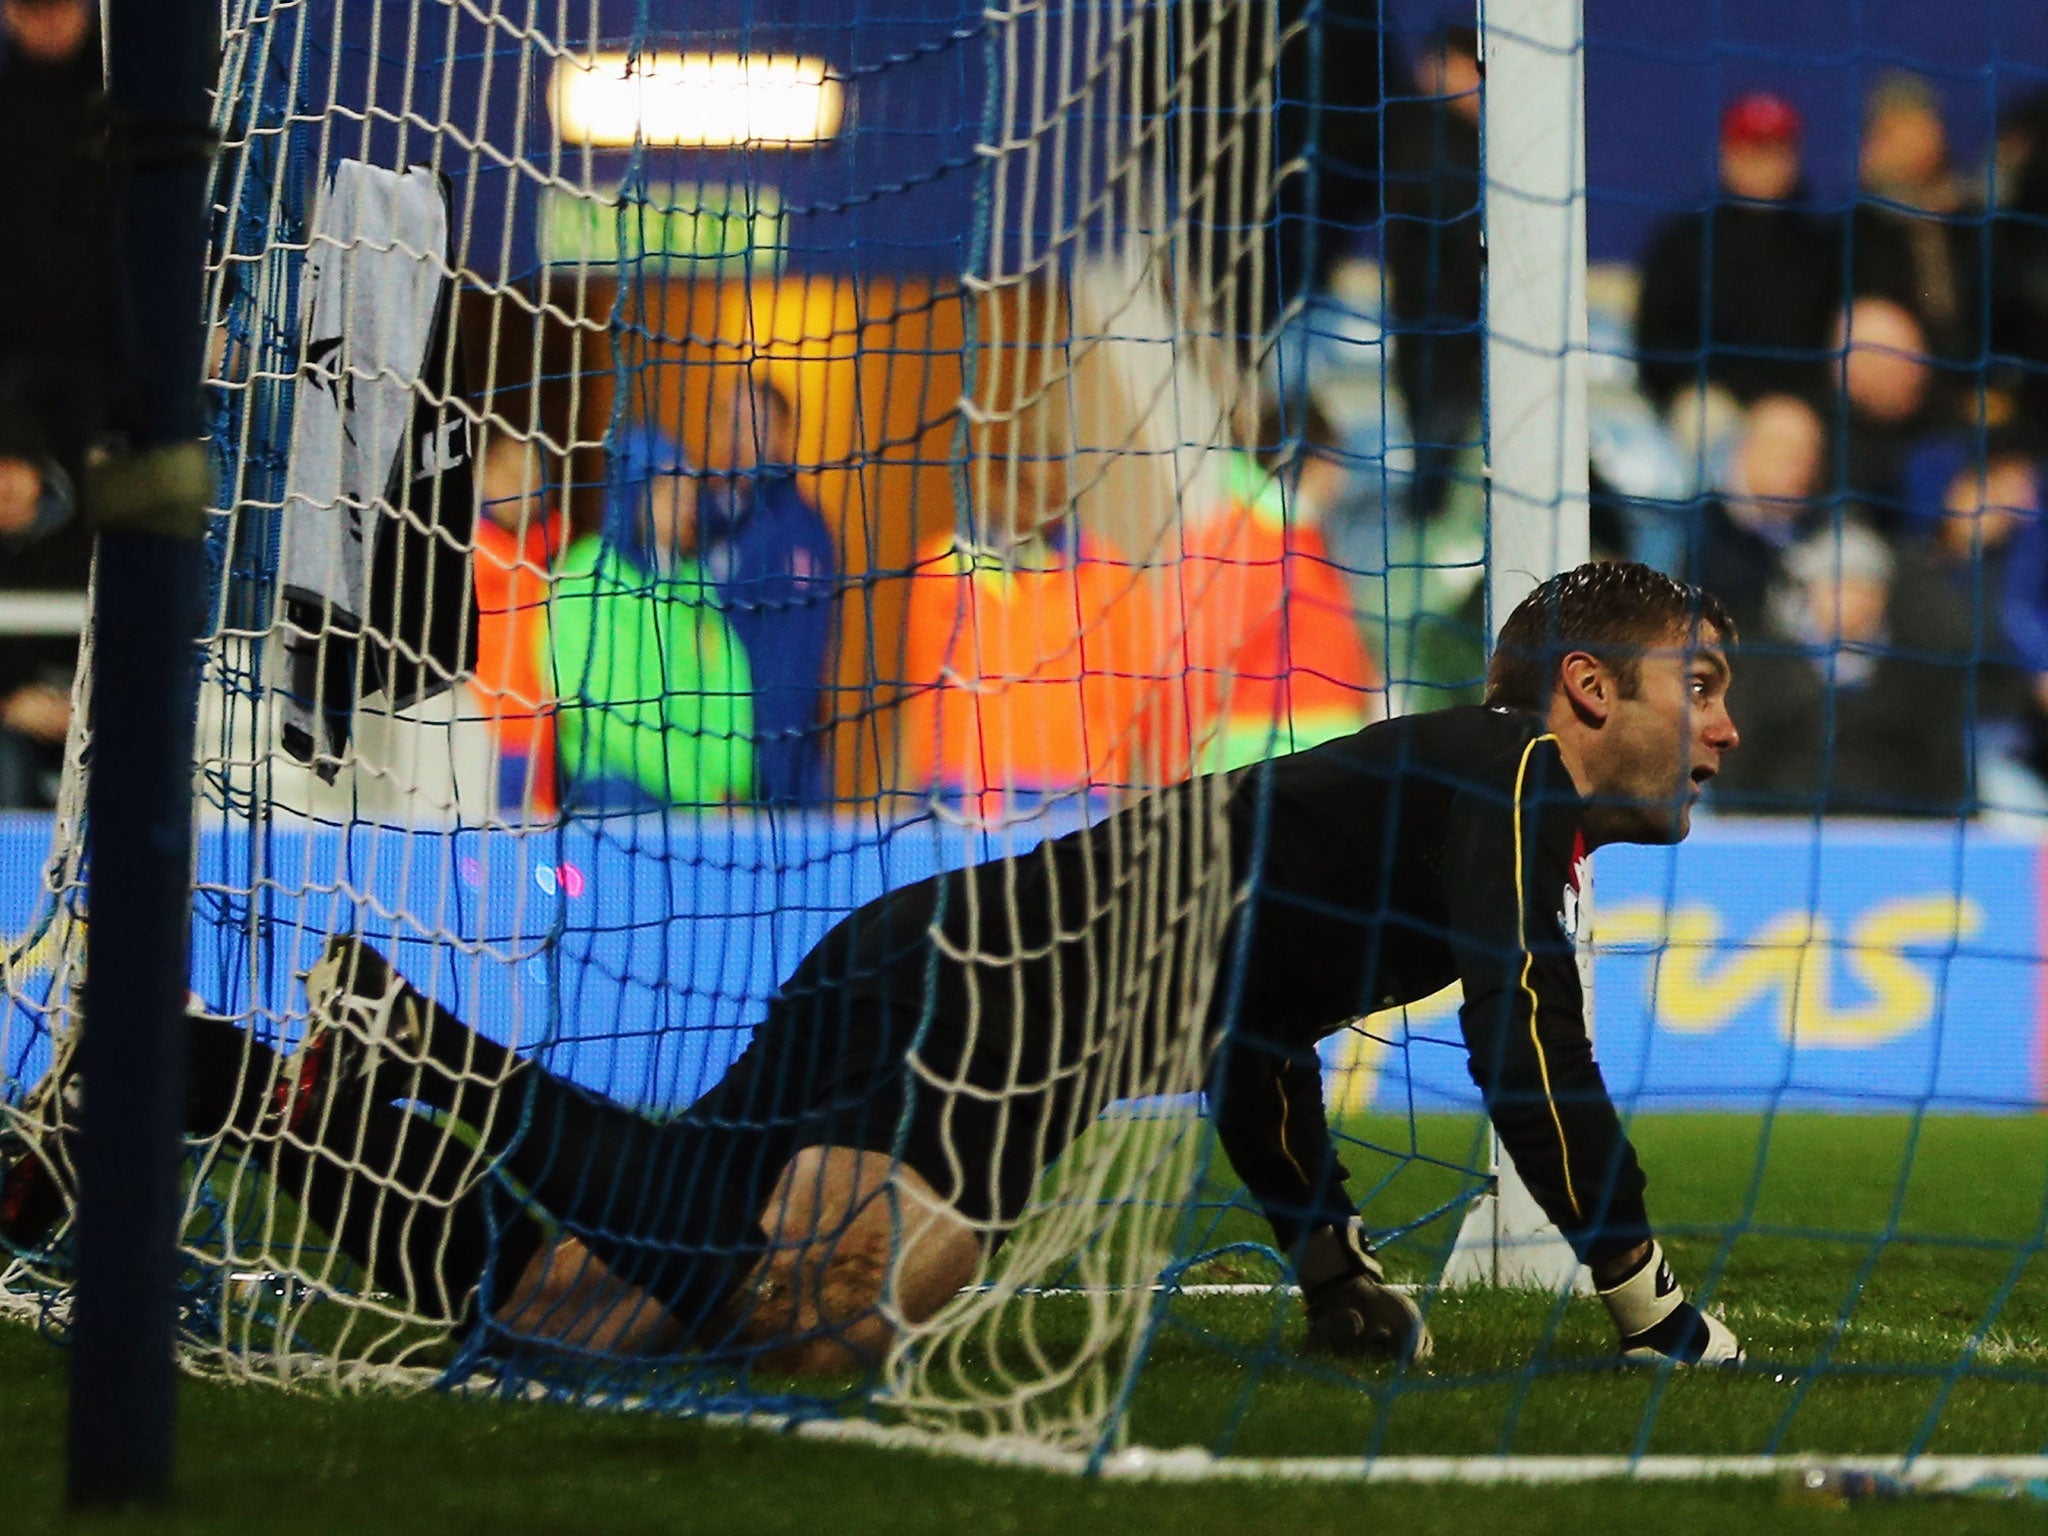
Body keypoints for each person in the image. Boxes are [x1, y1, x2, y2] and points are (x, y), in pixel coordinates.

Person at [6, 562, 1746, 1376]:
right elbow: (1530, 1054)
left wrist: (1323, 1266)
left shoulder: (1446, 790)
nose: (1722, 733)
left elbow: (1252, 1027)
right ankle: (408, 1036)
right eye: (1699, 685)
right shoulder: (1501, 774)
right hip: (985, 991)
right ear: (1587, 691)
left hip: (949, 965)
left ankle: (228, 1080)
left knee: (593, 1304)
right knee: (842, 1289)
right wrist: (1654, 1313)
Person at [545, 427, 755, 811]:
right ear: (634, 495)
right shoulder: (586, 577)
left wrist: (729, 779)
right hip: (614, 794)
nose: (686, 505)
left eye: (690, 493)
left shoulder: (693, 582)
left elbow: (727, 681)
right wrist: (696, 788)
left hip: (698, 807)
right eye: (670, 493)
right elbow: (598, 707)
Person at [1634, 92, 1840, 434]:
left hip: (1798, 410)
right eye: (1753, 148)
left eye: (1776, 149)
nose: (1765, 161)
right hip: (1716, 403)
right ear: (1728, 153)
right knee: (1704, 416)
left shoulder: (1822, 243)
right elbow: (1658, 349)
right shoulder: (1686, 241)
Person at [693, 371, 839, 806]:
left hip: (771, 781)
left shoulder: (800, 533)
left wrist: (762, 775)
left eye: (752, 423)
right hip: (694, 768)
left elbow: (793, 666)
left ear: (780, 435)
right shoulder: (693, 522)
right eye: (728, 420)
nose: (737, 436)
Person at [1381, 23, 1483, 521]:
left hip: (1453, 357)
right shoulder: (1431, 149)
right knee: (1438, 491)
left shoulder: (1470, 150)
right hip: (1445, 358)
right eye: (1476, 69)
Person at [470, 432, 566, 817]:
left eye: (532, 476)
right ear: (482, 476)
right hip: (483, 730)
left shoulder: (560, 553)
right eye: (508, 473)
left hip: (548, 735)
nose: (521, 487)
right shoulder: (463, 552)